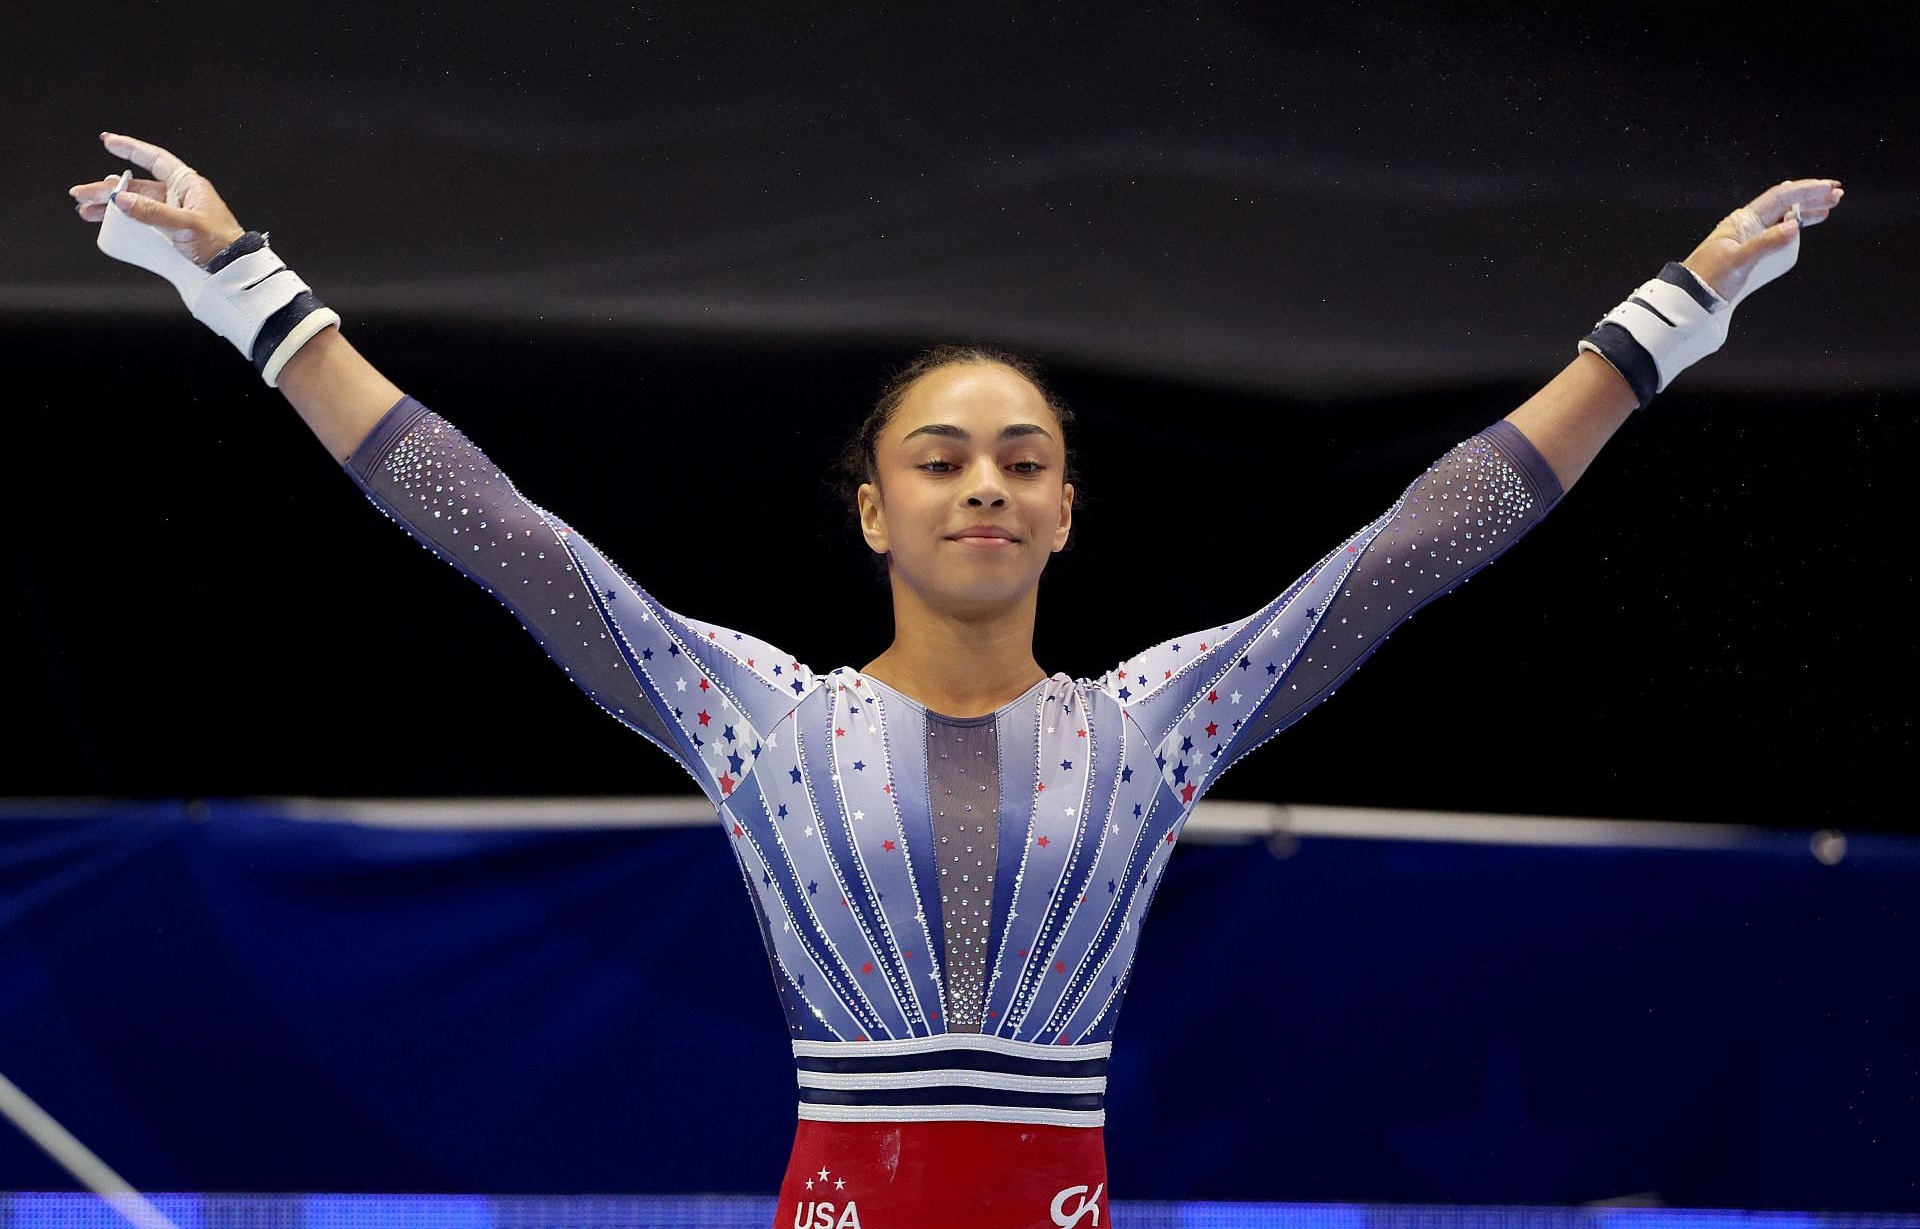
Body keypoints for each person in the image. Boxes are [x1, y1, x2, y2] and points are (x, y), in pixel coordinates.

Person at [70, 132, 1842, 1229]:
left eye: (1020, 458)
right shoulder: (758, 720)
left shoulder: (1155, 723)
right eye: (938, 456)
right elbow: (494, 526)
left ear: (1071, 511)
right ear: (873, 510)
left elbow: (1415, 544)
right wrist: (243, 280)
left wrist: (1669, 315)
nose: (983, 482)